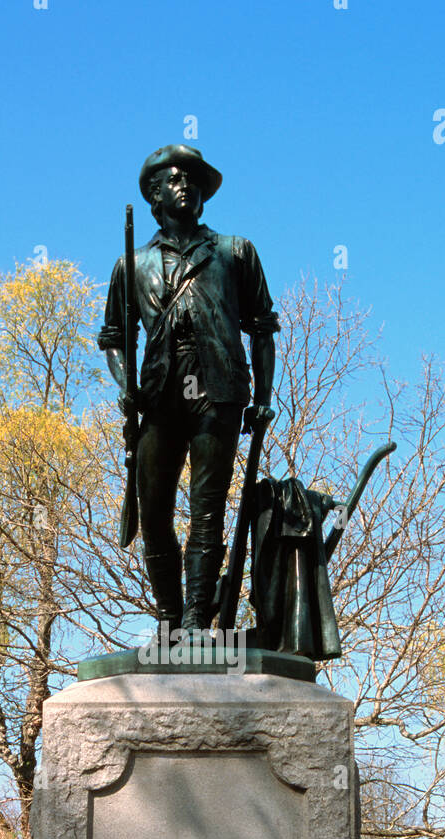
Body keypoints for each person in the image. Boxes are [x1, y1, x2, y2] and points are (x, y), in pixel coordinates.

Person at [98, 144, 279, 631]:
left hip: (217, 390)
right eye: (177, 180)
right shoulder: (130, 265)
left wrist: (264, 398)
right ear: (155, 195)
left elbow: (262, 327)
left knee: (208, 509)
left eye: (194, 181)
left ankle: (198, 619)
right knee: (154, 512)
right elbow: (115, 338)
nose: (188, 187)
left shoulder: (234, 252)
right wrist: (125, 384)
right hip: (159, 394)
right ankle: (169, 618)